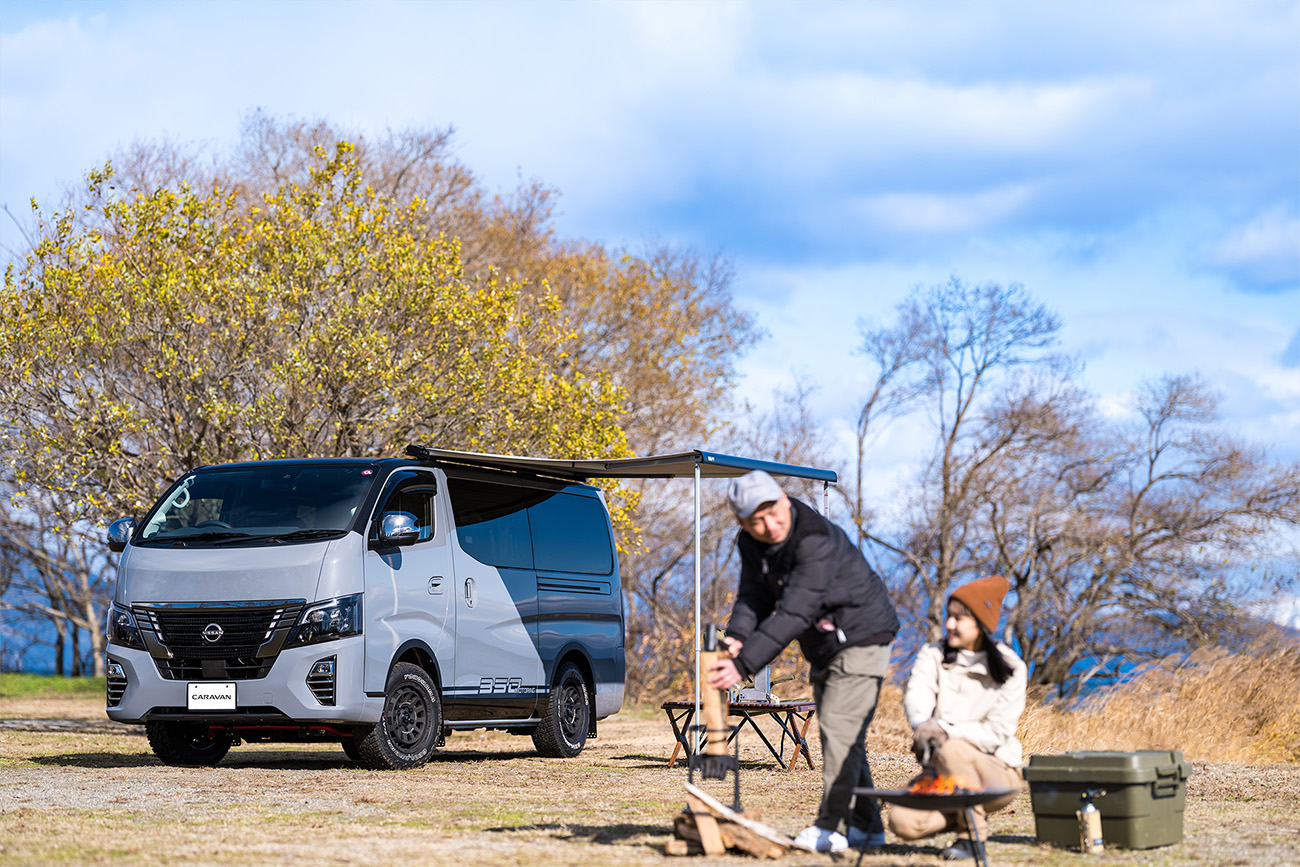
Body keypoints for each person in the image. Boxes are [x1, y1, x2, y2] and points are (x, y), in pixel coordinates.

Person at [705, 470, 900, 854]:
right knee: (843, 736)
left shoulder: (813, 538)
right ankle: (867, 830)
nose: (769, 525)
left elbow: (794, 612)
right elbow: (753, 596)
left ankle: (830, 826)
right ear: (741, 521)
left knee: (840, 732)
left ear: (783, 497)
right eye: (756, 520)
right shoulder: (751, 542)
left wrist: (743, 665)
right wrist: (738, 635)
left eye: (773, 512)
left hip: (862, 635)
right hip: (824, 646)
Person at [888, 574, 1027, 861]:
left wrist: (944, 728)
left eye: (959, 618)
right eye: (948, 616)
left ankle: (972, 838)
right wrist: (922, 724)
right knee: (903, 822)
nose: (949, 624)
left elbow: (997, 732)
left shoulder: (1011, 667)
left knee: (951, 746)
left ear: (981, 623)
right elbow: (917, 694)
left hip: (998, 775)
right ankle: (967, 812)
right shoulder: (932, 654)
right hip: (944, 773)